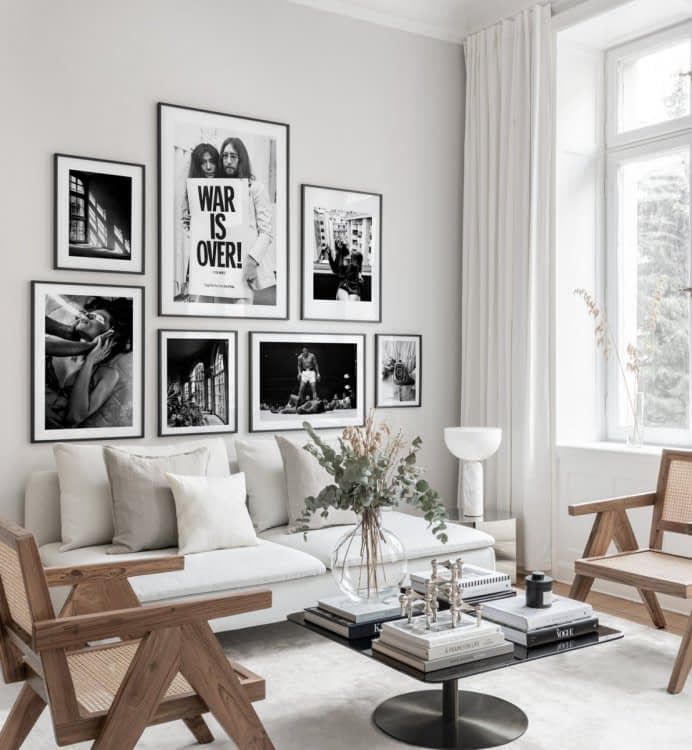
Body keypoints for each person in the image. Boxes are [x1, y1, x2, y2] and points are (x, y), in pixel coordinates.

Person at [44, 298, 132, 429]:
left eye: (93, 317)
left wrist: (89, 362)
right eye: (85, 314)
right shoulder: (56, 345)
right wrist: (88, 345)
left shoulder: (107, 375)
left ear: (110, 334)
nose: (84, 317)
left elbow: (73, 418)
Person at [219, 137, 276, 305]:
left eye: (233, 156)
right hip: (219, 267)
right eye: (225, 156)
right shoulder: (216, 188)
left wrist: (251, 262)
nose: (228, 161)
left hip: (243, 265)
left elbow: (266, 232)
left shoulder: (256, 188)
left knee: (240, 315)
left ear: (241, 160)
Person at [181, 143, 220, 232]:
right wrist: (187, 222)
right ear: (197, 166)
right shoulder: (190, 191)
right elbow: (185, 228)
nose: (208, 167)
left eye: (212, 161)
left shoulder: (230, 186)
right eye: (203, 162)